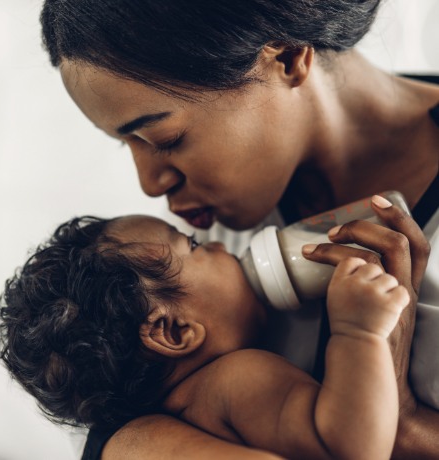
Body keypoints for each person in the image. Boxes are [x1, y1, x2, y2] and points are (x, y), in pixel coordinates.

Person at [38, 0, 439, 458]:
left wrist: (404, 424)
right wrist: (125, 442)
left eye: (164, 139)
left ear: (287, 58)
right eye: (125, 144)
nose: (150, 185)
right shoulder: (205, 245)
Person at [0, 208, 409, 460]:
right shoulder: (235, 379)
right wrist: (360, 332)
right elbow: (349, 448)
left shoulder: (182, 413)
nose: (216, 245)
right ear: (173, 331)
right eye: (192, 245)